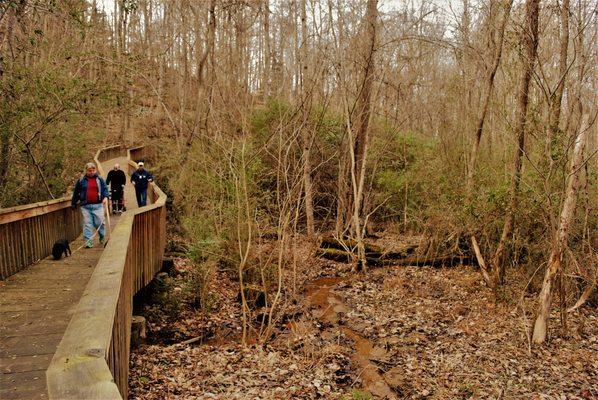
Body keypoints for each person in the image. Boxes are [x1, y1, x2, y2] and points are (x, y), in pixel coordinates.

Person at [71, 162, 109, 248]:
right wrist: (73, 203)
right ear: (86, 171)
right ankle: (88, 241)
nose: (91, 172)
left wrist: (106, 197)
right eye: (89, 171)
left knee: (99, 223)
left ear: (95, 170)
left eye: (93, 170)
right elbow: (76, 192)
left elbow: (105, 189)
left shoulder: (99, 179)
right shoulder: (81, 180)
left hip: (98, 205)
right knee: (87, 224)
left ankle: (102, 235)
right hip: (85, 206)